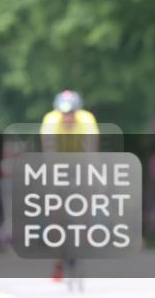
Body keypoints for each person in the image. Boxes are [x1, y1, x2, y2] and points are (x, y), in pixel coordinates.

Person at [40, 90, 99, 281]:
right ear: (58, 111)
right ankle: (57, 263)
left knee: (85, 205)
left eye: (71, 113)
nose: (67, 118)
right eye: (64, 113)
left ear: (77, 111)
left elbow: (92, 150)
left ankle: (81, 242)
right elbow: (48, 150)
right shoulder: (50, 121)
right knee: (56, 217)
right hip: (57, 166)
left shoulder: (87, 120)